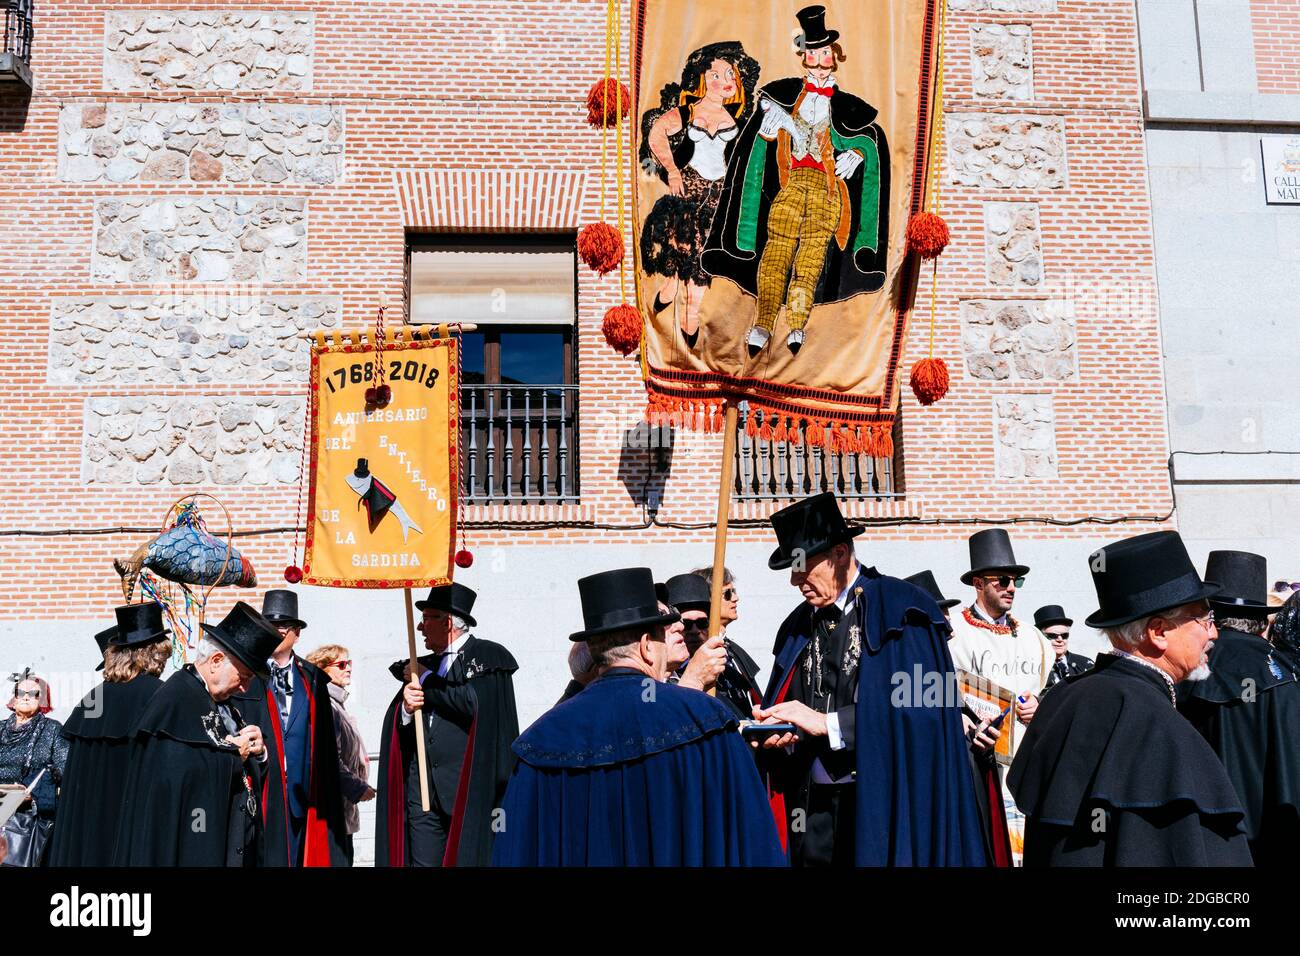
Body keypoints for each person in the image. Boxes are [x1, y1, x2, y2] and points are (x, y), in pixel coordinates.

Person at [752, 493, 987, 866]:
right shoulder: (796, 626)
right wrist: (778, 731)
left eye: (803, 567)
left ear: (841, 553)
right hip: (811, 814)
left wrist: (829, 724)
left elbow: (926, 711)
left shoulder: (903, 609)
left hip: (884, 809)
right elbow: (793, 703)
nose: (796, 580)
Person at [492, 567, 785, 866]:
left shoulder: (540, 743)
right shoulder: (706, 719)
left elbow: (515, 850)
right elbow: (753, 840)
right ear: (646, 646)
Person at [1007, 531, 1252, 866]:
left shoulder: (1065, 696)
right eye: (1203, 618)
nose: (1213, 632)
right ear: (1158, 632)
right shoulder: (1158, 724)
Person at [702, 5, 890, 354]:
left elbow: (867, 138)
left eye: (825, 51)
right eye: (813, 51)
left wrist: (858, 153)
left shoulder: (848, 105)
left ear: (834, 56)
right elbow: (762, 135)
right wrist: (769, 131)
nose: (820, 57)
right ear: (804, 56)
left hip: (827, 190)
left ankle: (797, 326)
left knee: (811, 259)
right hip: (792, 186)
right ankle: (762, 324)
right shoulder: (784, 94)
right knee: (776, 253)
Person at [114, 602, 279, 866]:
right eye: (244, 676)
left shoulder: (222, 702)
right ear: (216, 661)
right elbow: (174, 772)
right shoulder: (176, 698)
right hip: (193, 840)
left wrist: (259, 754)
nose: (246, 689)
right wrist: (232, 756)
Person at [376, 583, 519, 867]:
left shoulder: (486, 657)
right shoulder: (424, 664)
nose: (420, 627)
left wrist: (427, 680)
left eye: (428, 617)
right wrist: (405, 709)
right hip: (423, 792)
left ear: (449, 622)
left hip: (467, 791)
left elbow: (470, 703)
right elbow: (402, 725)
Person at [1179, 550, 1300, 864]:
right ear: (1261, 622)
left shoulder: (1179, 671)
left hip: (1193, 838)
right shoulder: (1280, 676)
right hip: (1265, 843)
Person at [640, 41, 760, 347]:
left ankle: (691, 312)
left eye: (729, 76)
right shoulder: (687, 111)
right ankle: (669, 287)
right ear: (703, 77)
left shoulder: (739, 121)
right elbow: (656, 133)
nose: (724, 82)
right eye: (717, 74)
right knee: (680, 246)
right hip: (689, 187)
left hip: (719, 194)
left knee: (702, 257)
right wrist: (672, 170)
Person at [48, 604, 170, 867]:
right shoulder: (162, 697)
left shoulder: (94, 697)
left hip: (87, 833)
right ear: (154, 654)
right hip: (131, 830)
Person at [233, 589, 347, 866]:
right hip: (260, 792)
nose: (274, 631)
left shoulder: (313, 679)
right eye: (268, 625)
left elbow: (325, 743)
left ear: (297, 632)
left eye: (282, 626)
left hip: (302, 794)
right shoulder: (245, 673)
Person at [906, 568, 1012, 866]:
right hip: (938, 818)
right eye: (941, 617)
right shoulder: (909, 680)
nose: (950, 625)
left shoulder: (943, 672)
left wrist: (982, 737)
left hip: (968, 804)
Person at [304, 643, 374, 866]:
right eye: (342, 664)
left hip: (345, 809)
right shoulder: (328, 707)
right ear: (324, 669)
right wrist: (357, 788)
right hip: (333, 810)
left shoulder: (338, 705)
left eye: (350, 663)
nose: (349, 669)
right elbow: (330, 758)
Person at [661, 572, 762, 720]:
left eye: (702, 623)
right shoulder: (659, 678)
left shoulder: (728, 657)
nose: (695, 630)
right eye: (687, 624)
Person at [0, 671, 68, 866]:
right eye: (20, 692)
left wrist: (35, 793)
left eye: (34, 693)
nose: (26, 697)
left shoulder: (53, 730)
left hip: (26, 818)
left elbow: (63, 770)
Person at [1037, 605, 1093, 691]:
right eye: (1052, 636)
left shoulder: (1086, 664)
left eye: (1064, 635)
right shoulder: (1030, 667)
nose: (1060, 639)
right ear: (1040, 637)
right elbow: (1020, 699)